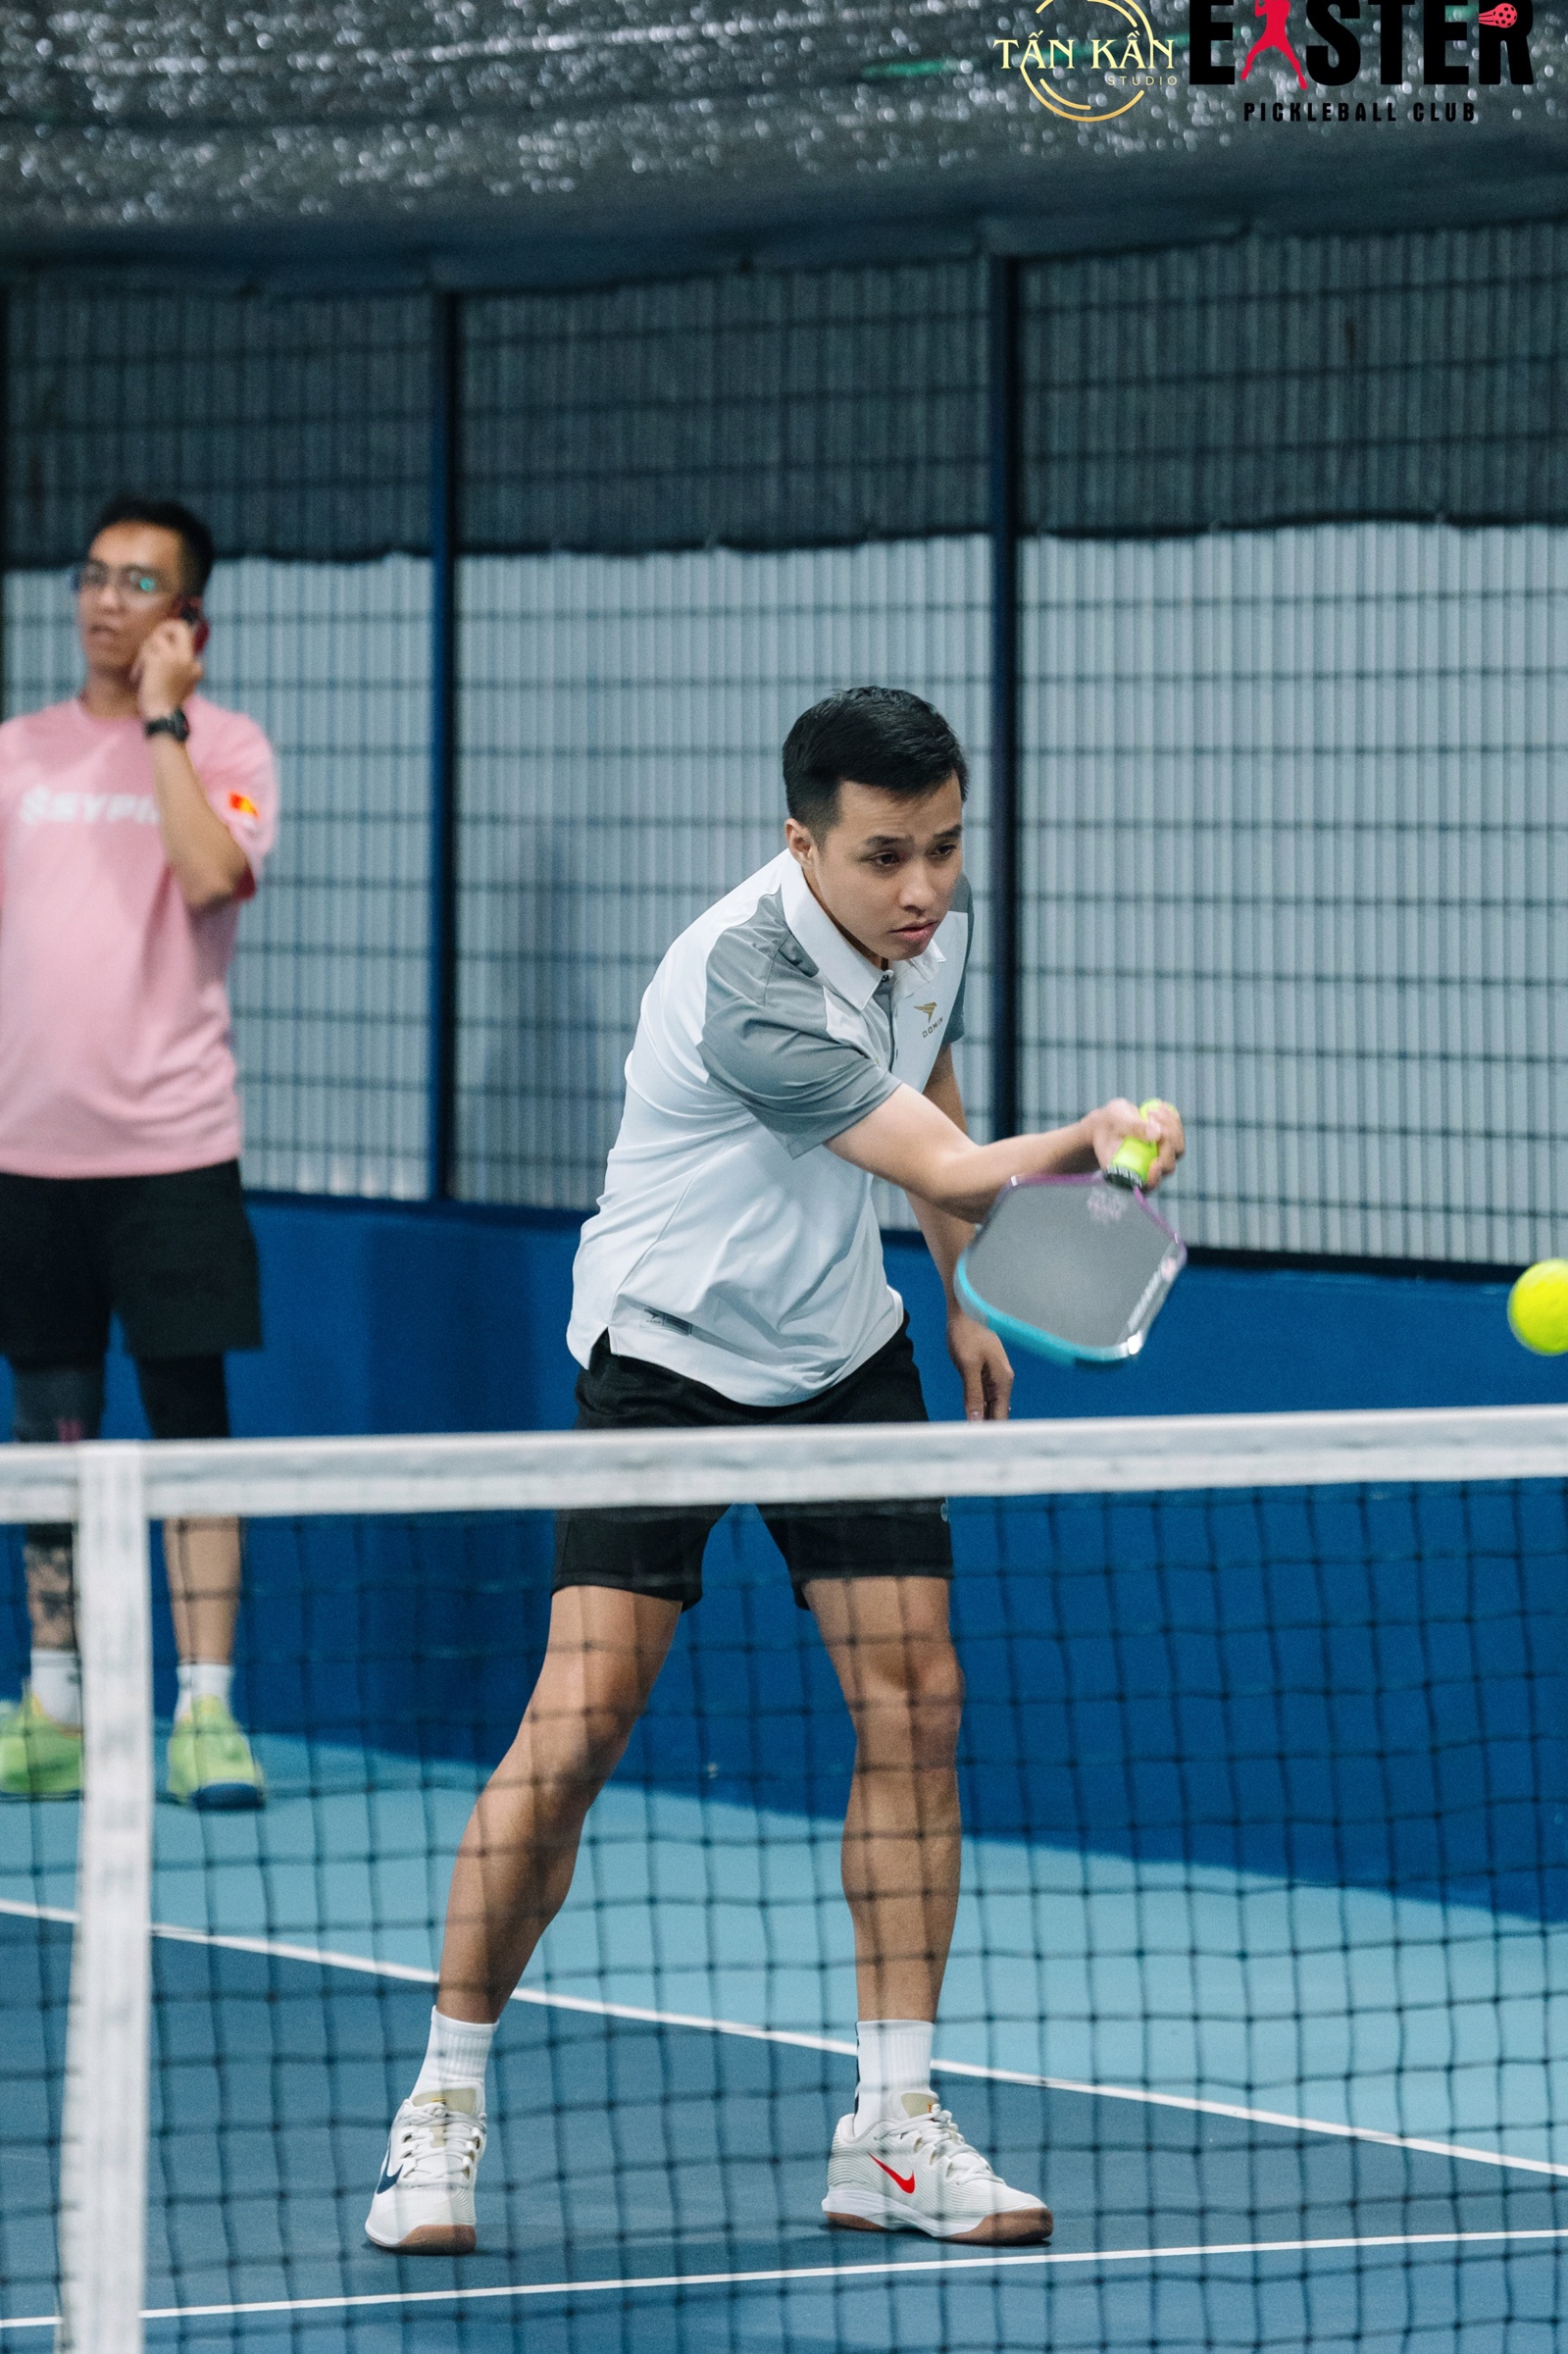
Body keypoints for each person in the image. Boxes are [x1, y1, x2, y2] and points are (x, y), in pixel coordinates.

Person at [366, 686, 1184, 2254]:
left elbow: (928, 1080)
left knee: (919, 1703)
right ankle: (442, 2106)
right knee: (580, 1724)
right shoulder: (741, 978)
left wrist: (960, 1289)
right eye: (885, 856)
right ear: (801, 843)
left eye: (945, 847)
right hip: (668, 1355)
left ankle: (891, 2128)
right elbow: (947, 1156)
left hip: (838, 1350)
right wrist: (1081, 1145)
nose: (924, 888)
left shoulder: (926, 934)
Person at [0, 494, 278, 1809]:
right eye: (94, 576)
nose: (105, 601)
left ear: (188, 617)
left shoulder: (231, 748)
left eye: (138, 582)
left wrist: (167, 722)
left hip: (173, 1155)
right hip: (28, 1160)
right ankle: (54, 1703)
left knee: (190, 1440)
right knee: (49, 1438)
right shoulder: (16, 756)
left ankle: (204, 1712)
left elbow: (211, 875)